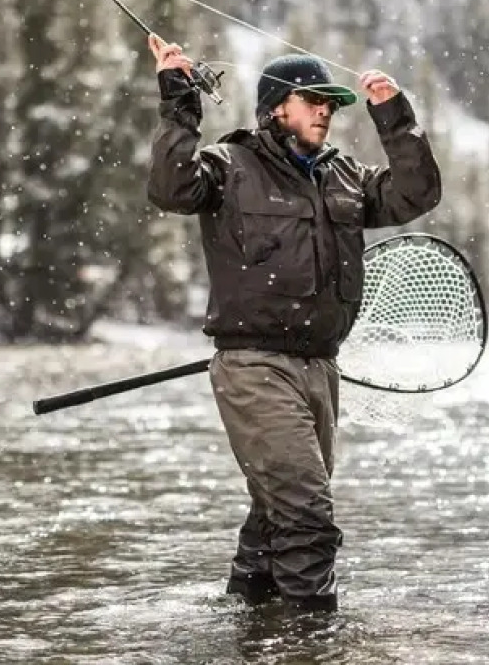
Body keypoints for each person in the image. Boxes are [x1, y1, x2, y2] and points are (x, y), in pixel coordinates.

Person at [144, 32, 443, 612]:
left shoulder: (345, 175)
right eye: (314, 101)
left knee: (275, 512)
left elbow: (416, 193)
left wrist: (394, 117)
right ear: (276, 107)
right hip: (254, 367)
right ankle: (313, 639)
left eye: (331, 104)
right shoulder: (230, 166)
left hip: (320, 369)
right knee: (307, 514)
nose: (326, 111)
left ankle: (249, 622)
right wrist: (179, 96)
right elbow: (170, 188)